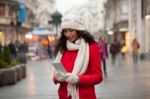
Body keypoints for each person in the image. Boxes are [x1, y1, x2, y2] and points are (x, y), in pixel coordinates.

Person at [52, 14, 103, 99]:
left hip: (84, 96)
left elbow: (98, 76)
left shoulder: (91, 47)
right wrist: (57, 77)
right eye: (65, 31)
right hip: (64, 95)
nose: (68, 34)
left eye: (71, 30)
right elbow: (57, 74)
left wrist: (78, 79)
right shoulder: (63, 48)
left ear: (79, 30)